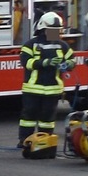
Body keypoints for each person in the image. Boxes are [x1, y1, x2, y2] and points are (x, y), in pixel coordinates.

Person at [18, 11, 74, 148]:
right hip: (33, 89)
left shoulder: (63, 45)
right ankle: (25, 141)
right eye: (52, 30)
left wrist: (68, 65)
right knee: (28, 117)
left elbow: (71, 60)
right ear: (43, 29)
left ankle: (45, 142)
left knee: (48, 119)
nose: (55, 33)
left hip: (53, 89)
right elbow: (26, 62)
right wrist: (44, 63)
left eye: (57, 31)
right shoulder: (30, 45)